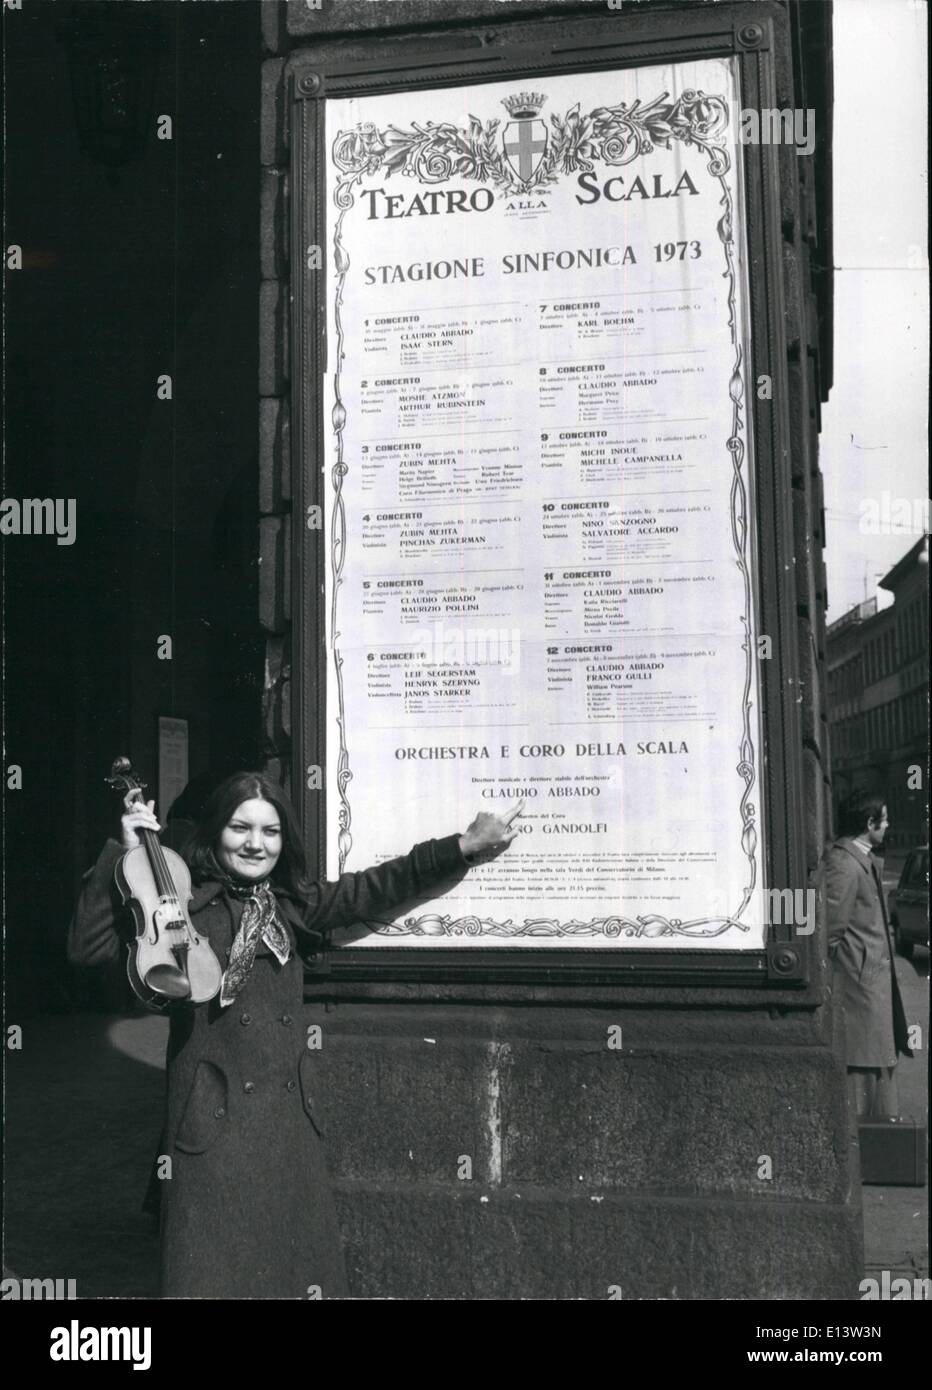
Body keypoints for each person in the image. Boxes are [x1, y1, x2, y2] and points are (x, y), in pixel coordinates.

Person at [68, 770, 522, 1298]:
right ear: (217, 830)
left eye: (270, 831)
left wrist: (462, 848)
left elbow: (375, 887)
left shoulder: (291, 905)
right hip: (208, 1127)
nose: (255, 844)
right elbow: (88, 949)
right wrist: (121, 859)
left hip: (287, 1128)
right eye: (241, 827)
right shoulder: (180, 905)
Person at [824, 791, 912, 1120]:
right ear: (868, 823)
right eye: (884, 819)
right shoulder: (844, 863)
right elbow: (829, 930)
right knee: (867, 1073)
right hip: (860, 990)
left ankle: (881, 1143)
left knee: (878, 1065)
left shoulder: (860, 857)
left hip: (870, 986)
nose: (888, 824)